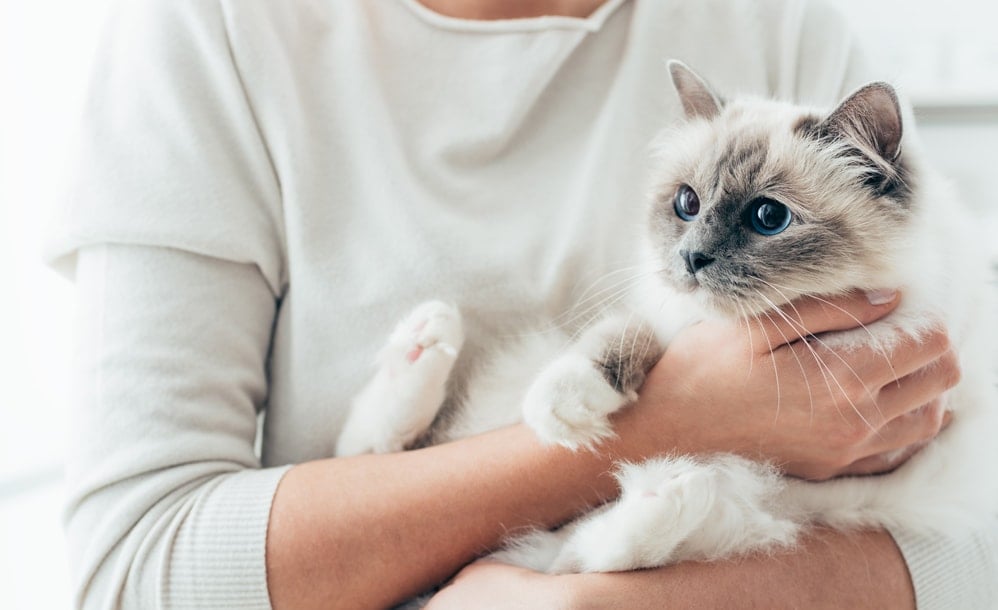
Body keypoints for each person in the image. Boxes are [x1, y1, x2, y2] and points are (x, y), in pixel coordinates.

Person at [48, 0, 998, 608]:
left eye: (757, 218)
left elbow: (976, 548)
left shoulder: (777, 22)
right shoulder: (208, 32)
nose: (701, 248)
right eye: (685, 209)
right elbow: (133, 571)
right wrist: (658, 426)